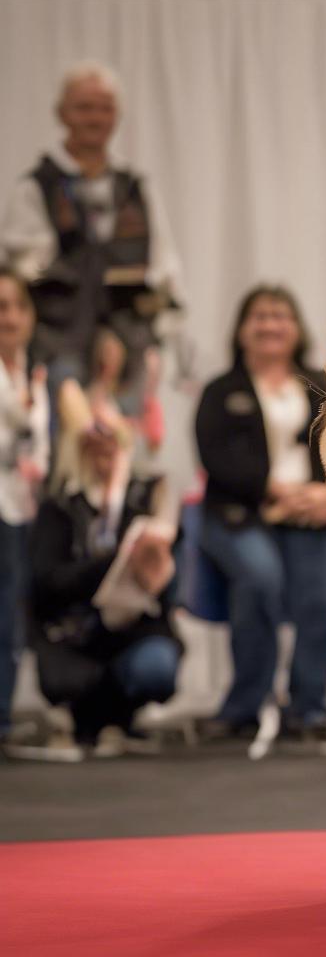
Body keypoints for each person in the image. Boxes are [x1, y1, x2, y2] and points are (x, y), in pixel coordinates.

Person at [195, 286, 326, 741]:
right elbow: (214, 457)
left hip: (313, 512)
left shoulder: (321, 385)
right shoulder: (220, 391)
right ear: (243, 330)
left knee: (319, 596)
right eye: (259, 316)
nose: (270, 324)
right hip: (240, 514)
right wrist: (271, 490)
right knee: (259, 580)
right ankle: (245, 706)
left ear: (297, 328)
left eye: (280, 316)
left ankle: (309, 709)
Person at [0, 61, 182, 413]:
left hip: (130, 353)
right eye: (84, 108)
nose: (95, 119)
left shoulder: (137, 190)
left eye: (104, 108)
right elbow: (25, 274)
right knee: (61, 450)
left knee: (124, 450)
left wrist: (135, 331)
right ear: (62, 114)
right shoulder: (36, 188)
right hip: (57, 350)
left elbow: (164, 272)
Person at [28, 380, 180, 756]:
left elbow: (167, 592)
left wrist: (152, 565)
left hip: (133, 631)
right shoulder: (60, 509)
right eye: (93, 450)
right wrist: (111, 560)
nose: (103, 458)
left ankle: (124, 714)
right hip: (75, 635)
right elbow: (47, 583)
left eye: (111, 448)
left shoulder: (145, 501)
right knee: (73, 681)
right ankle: (87, 717)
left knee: (156, 666)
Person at [0, 269, 49, 747]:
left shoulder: (33, 374)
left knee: (10, 615)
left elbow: (41, 450)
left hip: (16, 507)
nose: (10, 318)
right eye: (1, 308)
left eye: (18, 307)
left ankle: (4, 716)